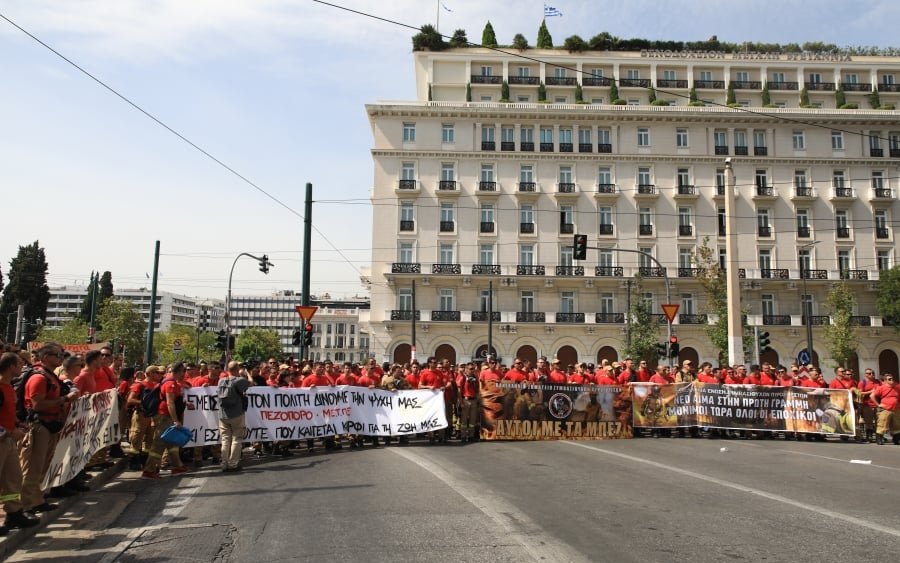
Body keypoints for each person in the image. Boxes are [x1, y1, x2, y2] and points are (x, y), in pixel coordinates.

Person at [19, 343, 79, 514]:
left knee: (44, 466)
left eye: (61, 355)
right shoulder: (39, 378)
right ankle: (25, 505)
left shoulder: (50, 376)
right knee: (33, 467)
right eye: (57, 355)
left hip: (51, 425)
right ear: (46, 357)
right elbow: (37, 405)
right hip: (40, 426)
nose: (61, 358)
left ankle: (37, 500)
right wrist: (65, 399)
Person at [0, 352, 39, 532]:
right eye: (19, 364)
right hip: (3, 439)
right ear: (10, 367)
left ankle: (13, 513)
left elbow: (7, 413)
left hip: (8, 442)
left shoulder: (9, 387)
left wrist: (18, 423)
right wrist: (9, 431)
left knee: (13, 479)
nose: (22, 367)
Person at [142, 362, 189, 479]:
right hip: (165, 417)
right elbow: (170, 403)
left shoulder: (171, 382)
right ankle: (149, 471)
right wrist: (175, 421)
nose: (184, 374)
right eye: (183, 371)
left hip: (167, 416)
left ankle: (177, 466)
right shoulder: (170, 384)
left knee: (171, 443)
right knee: (158, 444)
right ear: (178, 371)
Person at [218, 361, 250, 471]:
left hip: (223, 414)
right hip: (237, 414)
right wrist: (246, 372)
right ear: (237, 369)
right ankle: (233, 464)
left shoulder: (221, 381)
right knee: (237, 438)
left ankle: (224, 463)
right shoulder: (239, 380)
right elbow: (250, 382)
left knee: (225, 439)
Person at [872, 373, 900, 445]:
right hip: (885, 409)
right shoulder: (881, 387)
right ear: (885, 380)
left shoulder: (897, 386)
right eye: (889, 379)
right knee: (882, 424)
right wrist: (878, 405)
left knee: (897, 425)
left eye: (892, 379)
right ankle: (879, 440)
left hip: (896, 409)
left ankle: (896, 439)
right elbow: (872, 396)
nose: (892, 380)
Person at [456, 363, 479, 443]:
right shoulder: (463, 377)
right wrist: (461, 402)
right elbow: (459, 391)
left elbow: (477, 389)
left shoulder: (475, 377)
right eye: (470, 369)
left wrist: (477, 398)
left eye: (473, 369)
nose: (472, 370)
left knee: (472, 420)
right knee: (464, 420)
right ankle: (463, 435)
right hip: (465, 400)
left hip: (474, 400)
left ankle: (471, 436)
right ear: (466, 369)